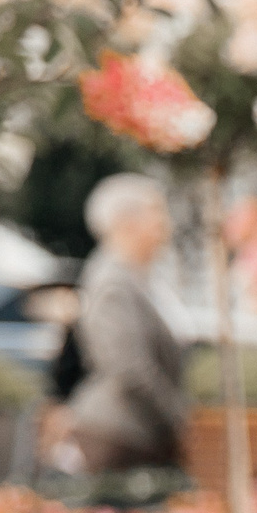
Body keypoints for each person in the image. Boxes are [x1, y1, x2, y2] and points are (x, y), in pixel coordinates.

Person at [63, 175, 191, 474]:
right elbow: (129, 368)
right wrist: (177, 418)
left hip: (138, 433)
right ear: (126, 221)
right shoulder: (113, 281)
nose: (165, 223)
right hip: (117, 434)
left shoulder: (140, 277)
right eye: (156, 211)